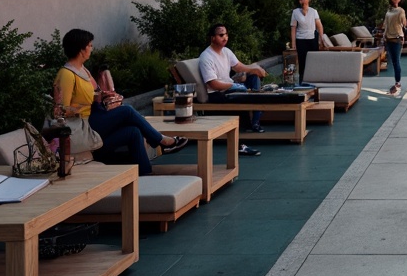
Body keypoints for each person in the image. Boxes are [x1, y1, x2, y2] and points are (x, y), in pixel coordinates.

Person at [54, 28, 188, 175]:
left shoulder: (83, 70)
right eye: (90, 45)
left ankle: (146, 175)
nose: (92, 48)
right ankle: (161, 140)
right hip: (84, 125)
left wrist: (105, 96)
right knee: (127, 111)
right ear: (81, 48)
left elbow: (96, 93)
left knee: (133, 132)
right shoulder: (66, 74)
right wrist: (84, 106)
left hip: (96, 116)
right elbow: (60, 110)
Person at [199, 23, 268, 155]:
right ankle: (240, 144)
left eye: (226, 34)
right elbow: (213, 84)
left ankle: (254, 122)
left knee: (253, 77)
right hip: (217, 93)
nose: (225, 37)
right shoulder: (206, 57)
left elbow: (238, 67)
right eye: (221, 35)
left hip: (229, 88)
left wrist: (254, 69)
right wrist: (233, 85)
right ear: (212, 38)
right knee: (241, 94)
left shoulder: (226, 51)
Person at [289, 0, 325, 83]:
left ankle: (315, 79)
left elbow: (319, 25)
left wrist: (321, 39)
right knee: (302, 61)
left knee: (313, 60)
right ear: (299, 0)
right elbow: (293, 28)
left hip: (312, 38)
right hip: (300, 39)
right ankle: (302, 80)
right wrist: (293, 44)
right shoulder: (295, 12)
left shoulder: (313, 11)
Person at [382, 0, 406, 96]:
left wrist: (402, 20)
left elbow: (403, 23)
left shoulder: (400, 10)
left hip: (397, 38)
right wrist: (384, 35)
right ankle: (396, 84)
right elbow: (385, 23)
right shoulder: (389, 10)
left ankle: (398, 84)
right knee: (392, 61)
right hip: (388, 38)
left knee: (396, 61)